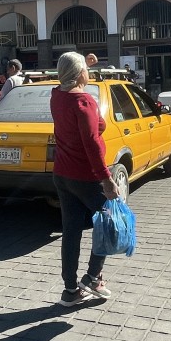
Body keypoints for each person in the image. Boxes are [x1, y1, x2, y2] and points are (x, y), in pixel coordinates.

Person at [50, 52, 120, 307]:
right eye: (86, 71)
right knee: (109, 224)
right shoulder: (84, 102)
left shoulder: (57, 96)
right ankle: (92, 277)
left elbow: (65, 81)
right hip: (87, 176)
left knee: (71, 231)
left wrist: (83, 66)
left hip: (63, 174)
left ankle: (70, 290)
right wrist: (107, 179)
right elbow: (92, 141)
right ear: (80, 75)